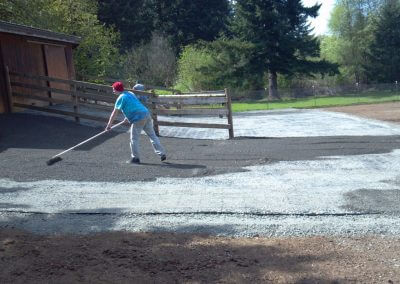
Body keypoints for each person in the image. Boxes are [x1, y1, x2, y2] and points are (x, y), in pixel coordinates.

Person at [106, 81, 166, 164]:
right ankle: (162, 153)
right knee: (152, 135)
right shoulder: (130, 93)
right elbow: (133, 104)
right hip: (146, 114)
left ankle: (135, 158)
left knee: (134, 138)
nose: (113, 91)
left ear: (117, 89)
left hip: (138, 118)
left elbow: (114, 112)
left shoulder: (121, 98)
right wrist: (127, 118)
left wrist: (109, 125)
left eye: (113, 89)